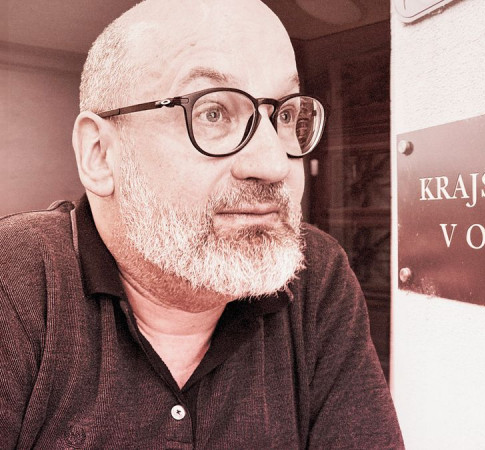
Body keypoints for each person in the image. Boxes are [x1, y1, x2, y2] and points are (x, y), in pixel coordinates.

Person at [0, 0, 403, 447]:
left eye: (286, 116)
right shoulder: (13, 281)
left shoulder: (317, 275)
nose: (274, 165)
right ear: (100, 155)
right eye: (212, 113)